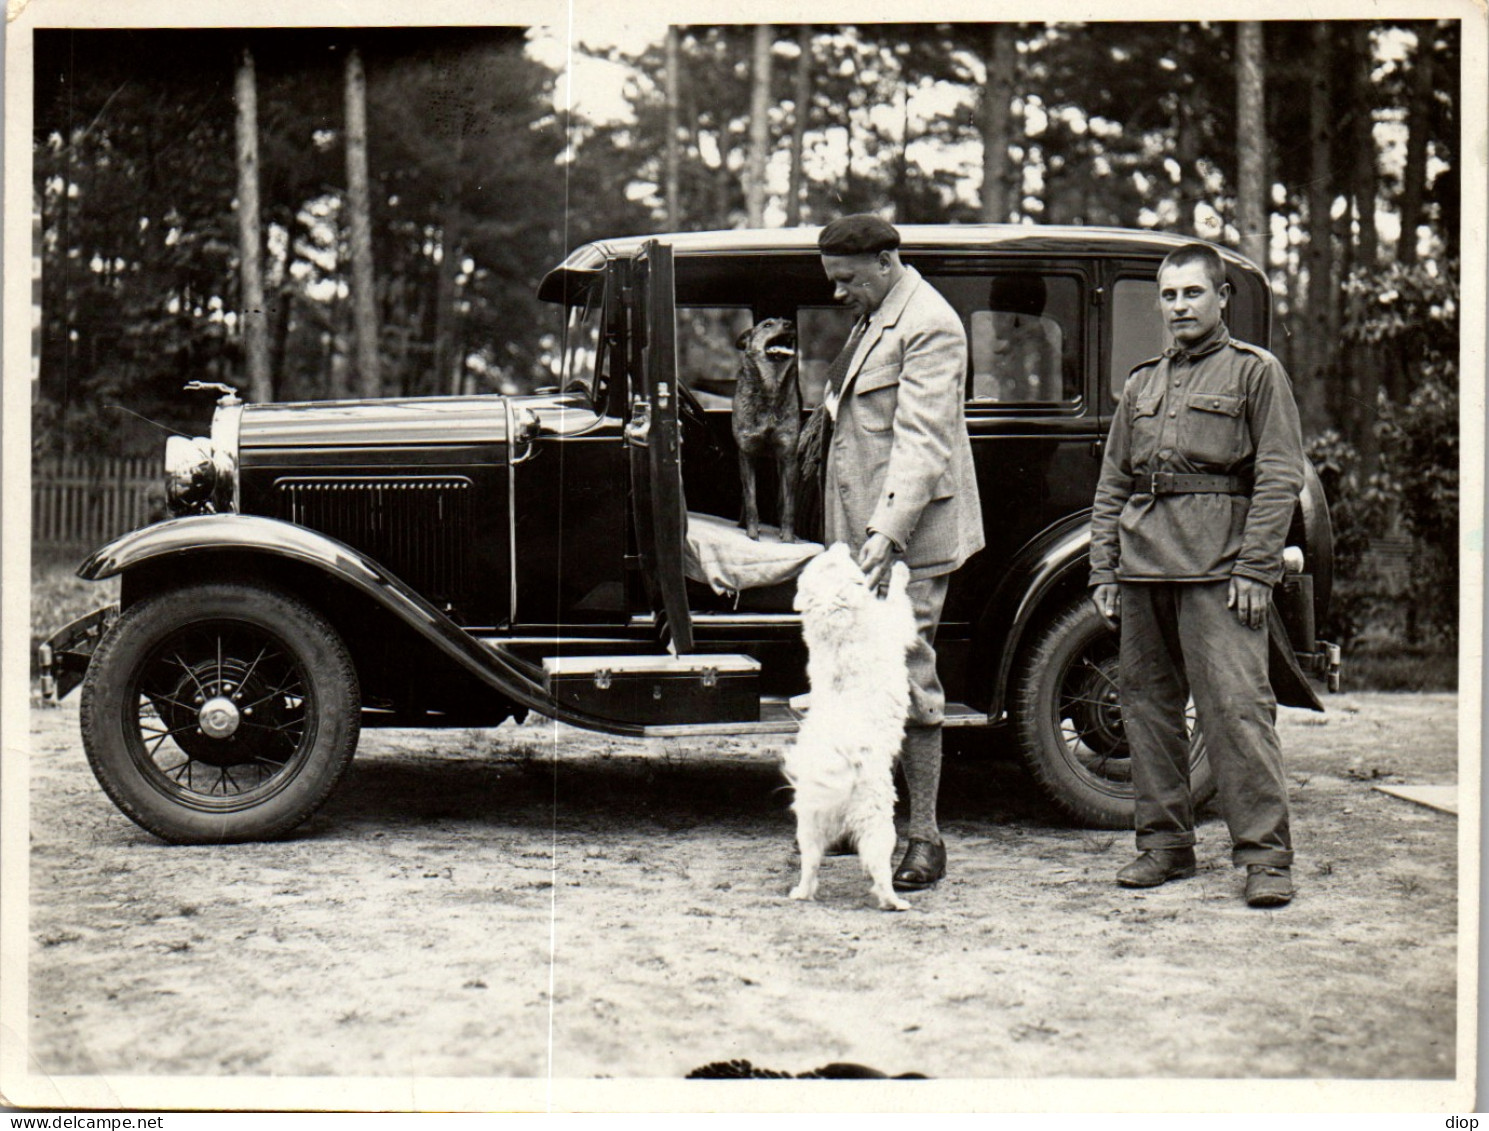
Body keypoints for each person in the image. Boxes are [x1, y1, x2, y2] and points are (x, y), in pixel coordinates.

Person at [1088, 241, 1306, 909]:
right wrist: (1103, 565)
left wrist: (1255, 566)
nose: (1178, 305)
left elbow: (1279, 476)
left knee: (1236, 712)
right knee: (1146, 712)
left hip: (1220, 572)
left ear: (1220, 299)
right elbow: (1112, 483)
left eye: (1191, 293)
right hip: (1144, 567)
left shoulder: (1254, 373)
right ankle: (1163, 846)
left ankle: (1264, 857)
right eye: (1169, 295)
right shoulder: (1143, 383)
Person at [815, 214, 984, 891]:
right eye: (832, 281)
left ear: (886, 261)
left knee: (909, 677)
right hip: (864, 536)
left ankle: (924, 838)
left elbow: (920, 442)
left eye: (847, 280)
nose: (837, 294)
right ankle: (868, 820)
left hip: (905, 538)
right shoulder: (877, 312)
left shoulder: (929, 324)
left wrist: (884, 536)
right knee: (860, 678)